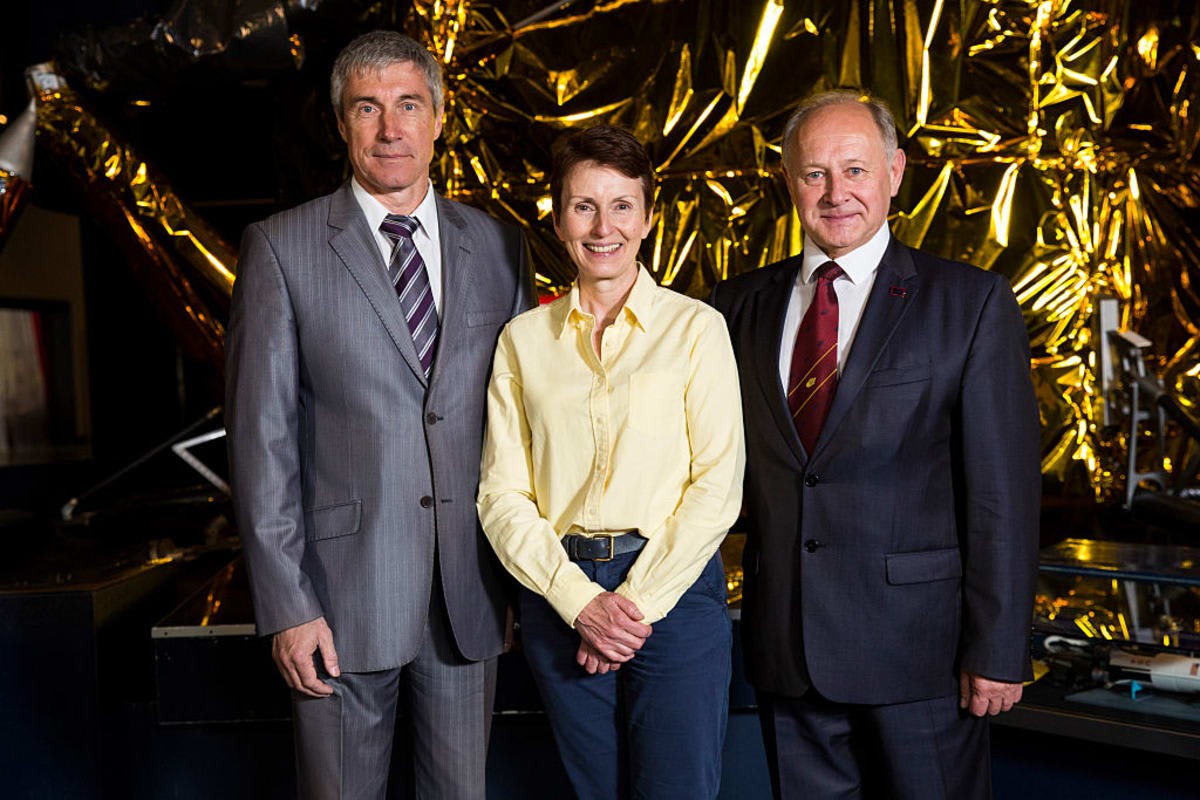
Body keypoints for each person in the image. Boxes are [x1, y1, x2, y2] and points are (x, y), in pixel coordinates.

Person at [224, 30, 534, 800]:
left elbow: (524, 427)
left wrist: (526, 584)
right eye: (368, 108)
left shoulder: (501, 248)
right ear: (341, 123)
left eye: (408, 105)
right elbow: (261, 443)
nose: (391, 128)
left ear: (439, 118)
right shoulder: (281, 248)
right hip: (336, 602)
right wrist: (288, 607)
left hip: (467, 599)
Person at [710, 90, 1041, 799]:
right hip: (788, 650)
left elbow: (1002, 495)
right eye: (815, 173)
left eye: (855, 170)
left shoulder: (970, 303)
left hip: (922, 657)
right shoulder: (734, 307)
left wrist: (999, 648)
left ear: (894, 172)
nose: (836, 193)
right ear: (788, 181)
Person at [477, 125, 745, 800]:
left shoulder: (696, 329)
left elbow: (717, 486)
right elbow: (502, 496)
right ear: (558, 219)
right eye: (583, 206)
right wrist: (579, 603)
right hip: (558, 593)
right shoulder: (521, 342)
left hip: (674, 592)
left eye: (622, 205)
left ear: (648, 218)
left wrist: (626, 608)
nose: (604, 227)